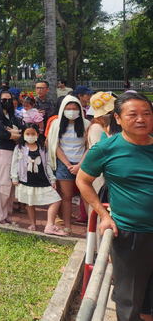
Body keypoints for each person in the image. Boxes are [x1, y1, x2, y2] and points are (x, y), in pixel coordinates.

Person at [77, 92, 153, 321]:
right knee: (129, 300)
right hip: (131, 234)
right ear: (118, 119)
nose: (141, 119)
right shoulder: (106, 149)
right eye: (133, 114)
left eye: (147, 114)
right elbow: (82, 181)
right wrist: (103, 215)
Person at [47, 95, 90, 235]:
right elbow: (54, 146)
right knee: (66, 196)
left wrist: (79, 165)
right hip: (64, 164)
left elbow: (89, 147)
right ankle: (67, 226)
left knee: (86, 195)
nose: (72, 111)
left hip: (83, 164)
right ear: (63, 110)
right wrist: (67, 164)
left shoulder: (86, 125)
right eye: (68, 109)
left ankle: (92, 226)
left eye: (75, 109)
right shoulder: (56, 124)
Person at [11, 124, 63, 235]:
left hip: (42, 180)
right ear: (23, 135)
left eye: (33, 134)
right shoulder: (19, 148)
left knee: (56, 200)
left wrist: (52, 180)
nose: (30, 136)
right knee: (30, 203)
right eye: (27, 134)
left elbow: (48, 164)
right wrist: (14, 177)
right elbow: (15, 163)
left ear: (37, 134)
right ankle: (33, 224)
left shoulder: (43, 149)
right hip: (26, 181)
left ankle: (49, 224)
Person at [0, 89, 23, 225]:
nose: (7, 102)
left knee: (10, 188)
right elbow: (2, 134)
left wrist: (14, 133)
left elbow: (24, 130)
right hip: (1, 152)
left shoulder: (12, 117)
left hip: (13, 153)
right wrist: (17, 134)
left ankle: (7, 217)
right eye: (4, 100)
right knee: (0, 186)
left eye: (9, 100)